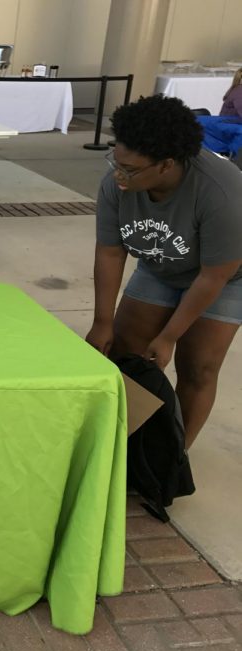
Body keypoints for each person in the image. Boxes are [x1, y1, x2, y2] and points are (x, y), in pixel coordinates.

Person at [87, 94, 242, 449]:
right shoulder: (117, 183)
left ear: (166, 165)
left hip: (226, 278)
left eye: (130, 169)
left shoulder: (222, 191)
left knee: (198, 367)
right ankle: (124, 446)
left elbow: (213, 276)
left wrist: (170, 335)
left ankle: (172, 457)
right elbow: (110, 252)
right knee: (126, 351)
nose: (118, 174)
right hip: (161, 267)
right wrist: (102, 321)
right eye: (116, 160)